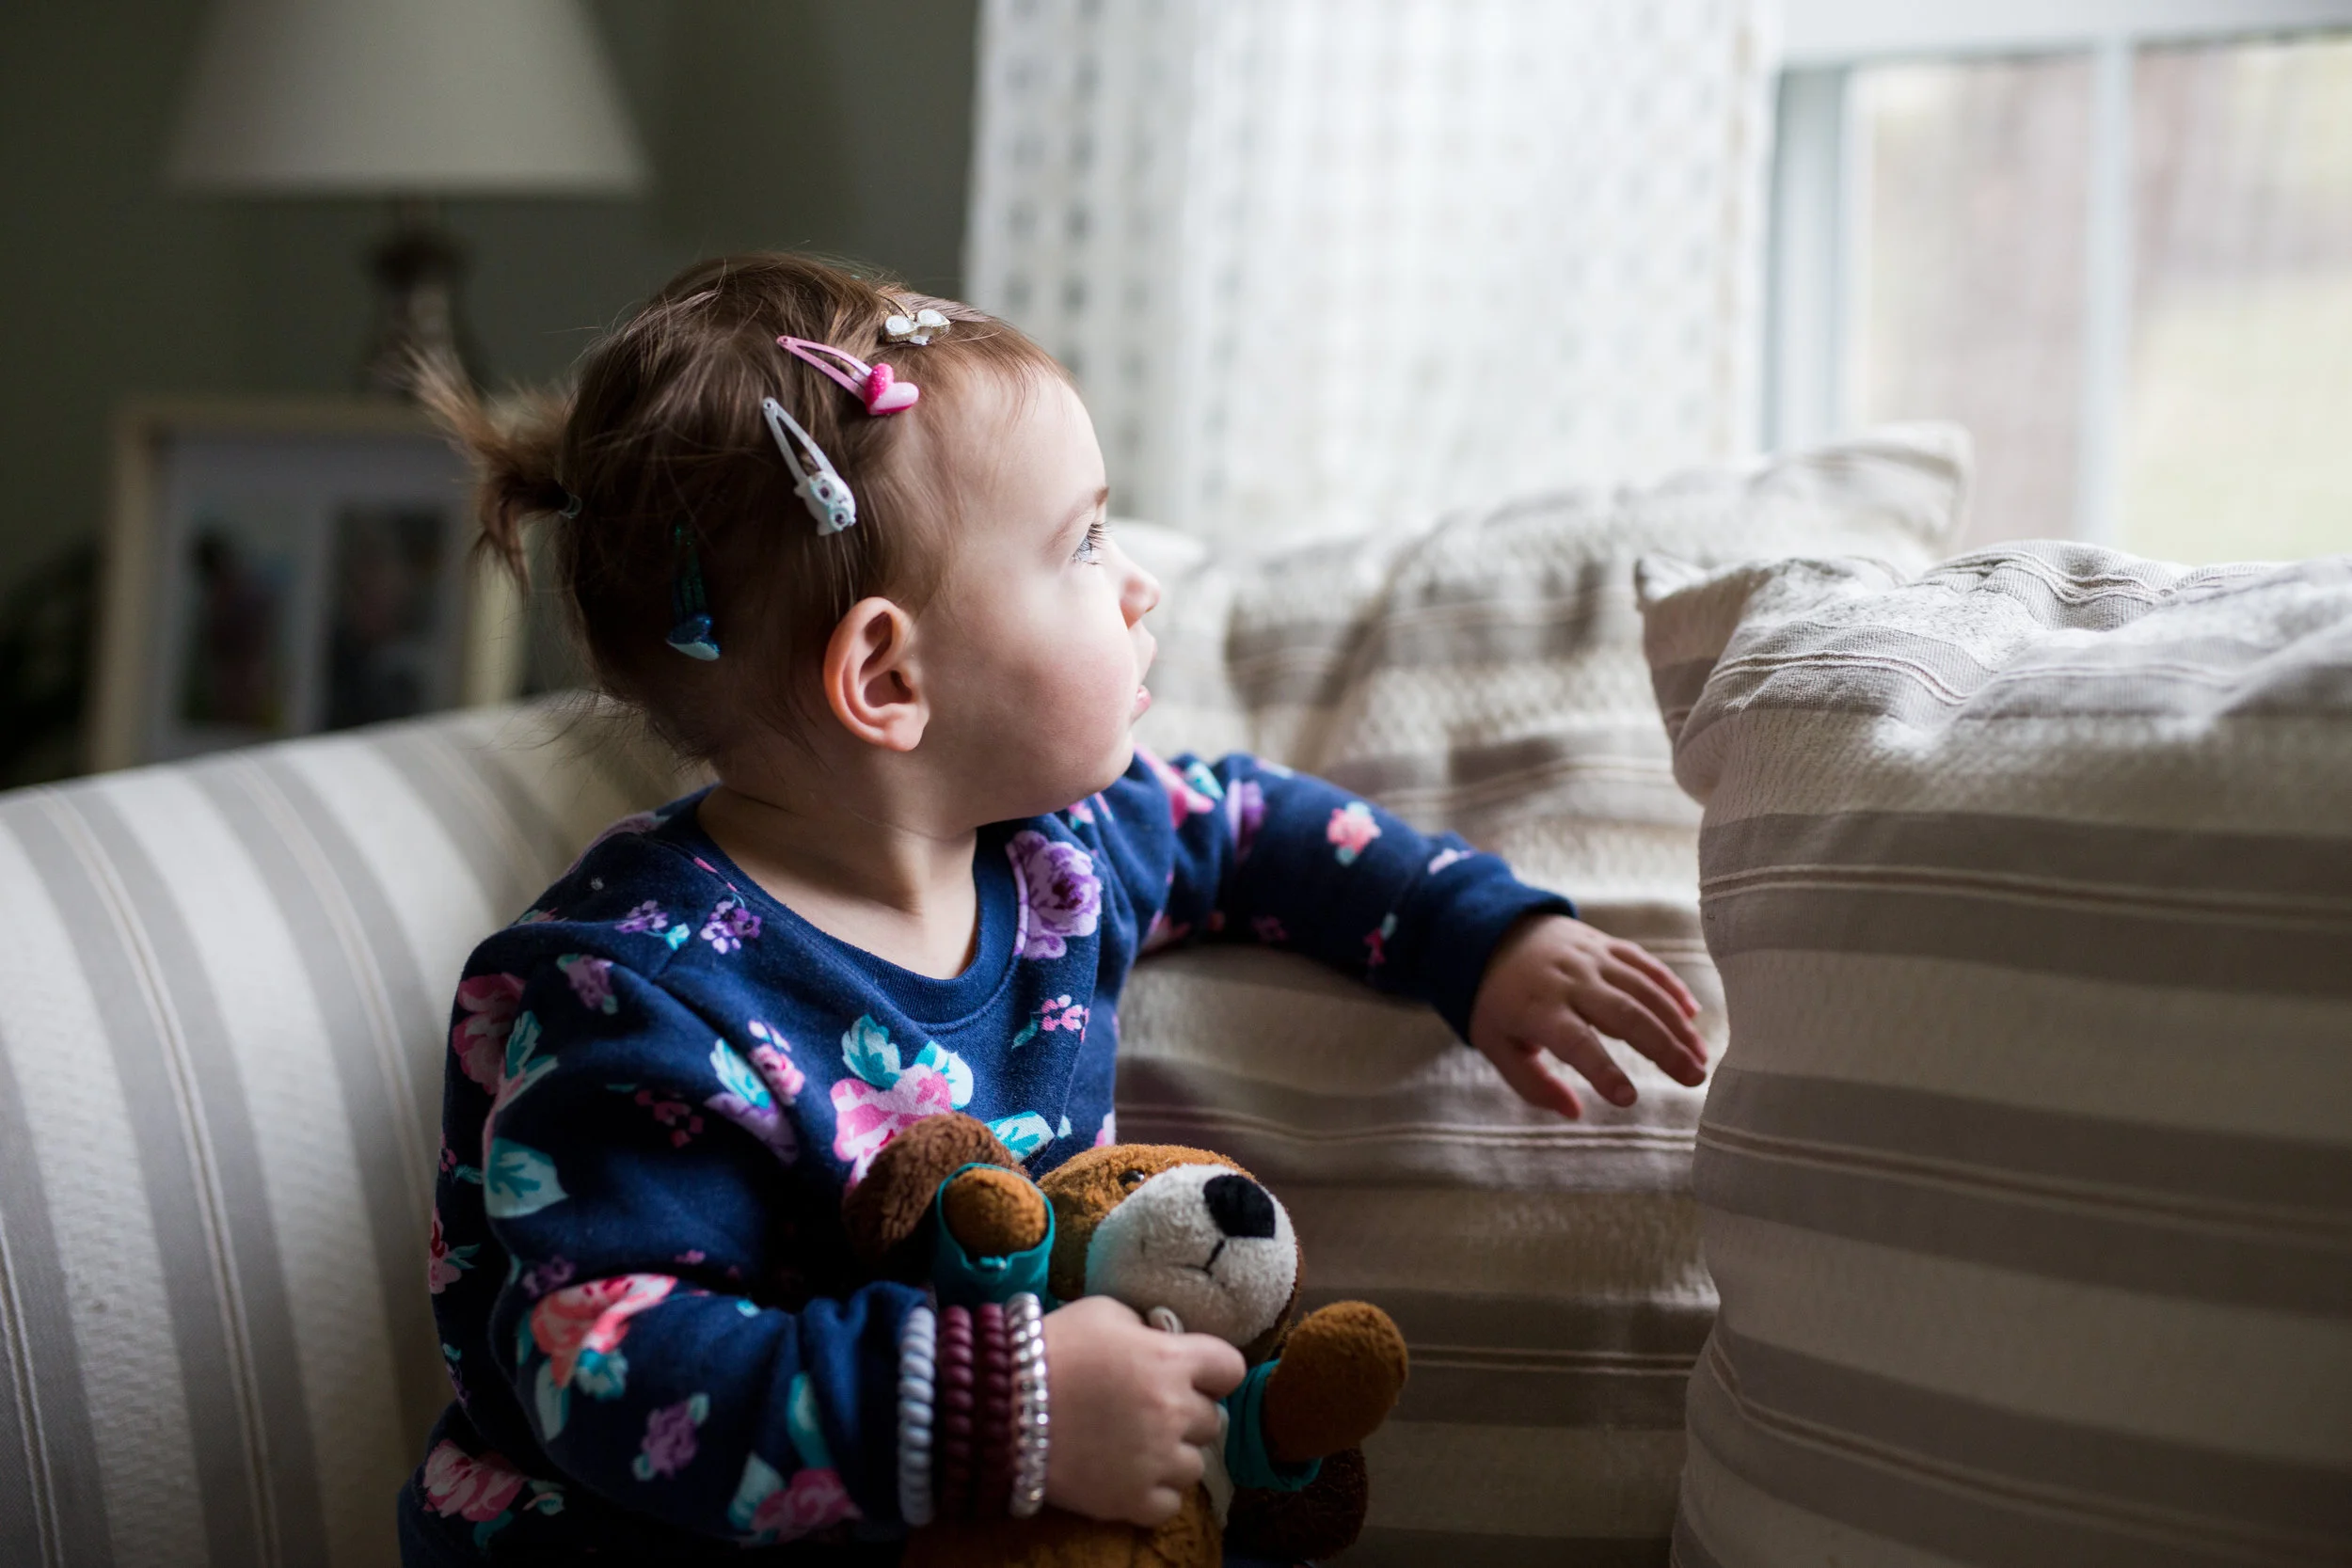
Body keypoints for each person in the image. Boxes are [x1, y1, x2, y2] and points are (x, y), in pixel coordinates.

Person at [398, 253, 1708, 1564]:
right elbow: (599, 1363)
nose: (1140, 585)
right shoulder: (633, 991)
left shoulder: (1060, 855)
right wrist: (1001, 1405)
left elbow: (1251, 825)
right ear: (887, 674)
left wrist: (1476, 937)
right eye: (1084, 542)